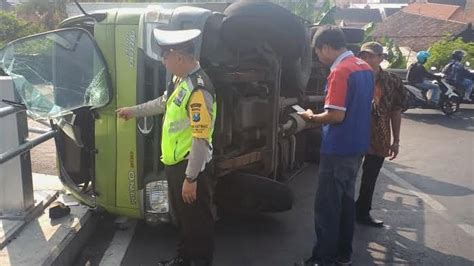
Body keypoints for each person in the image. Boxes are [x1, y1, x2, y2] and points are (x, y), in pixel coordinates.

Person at [116, 28, 217, 266]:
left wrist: (191, 178)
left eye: (164, 56)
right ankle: (184, 259)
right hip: (175, 164)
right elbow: (163, 103)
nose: (162, 61)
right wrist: (134, 111)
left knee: (198, 223)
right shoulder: (180, 80)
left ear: (179, 57)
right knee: (183, 219)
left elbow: (200, 139)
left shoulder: (198, 90)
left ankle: (199, 261)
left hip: (191, 167)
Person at [297, 25, 374, 265]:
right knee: (345, 203)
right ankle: (343, 254)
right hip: (357, 146)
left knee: (327, 206)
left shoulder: (340, 71)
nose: (318, 57)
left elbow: (335, 116)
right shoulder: (365, 67)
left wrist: (311, 117)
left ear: (327, 47)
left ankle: (323, 258)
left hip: (338, 148)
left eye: (318, 52)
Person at [355, 42, 406, 228]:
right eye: (363, 55)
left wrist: (396, 140)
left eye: (371, 56)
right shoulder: (354, 76)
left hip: (380, 134)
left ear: (381, 58)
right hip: (355, 130)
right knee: (348, 174)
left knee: (370, 177)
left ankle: (362, 212)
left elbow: (396, 110)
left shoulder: (392, 81)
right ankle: (343, 212)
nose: (366, 59)